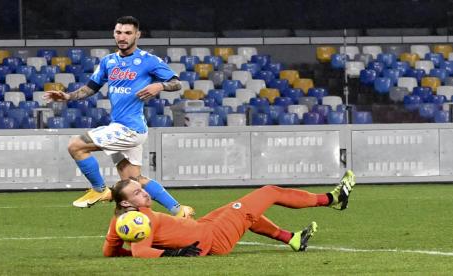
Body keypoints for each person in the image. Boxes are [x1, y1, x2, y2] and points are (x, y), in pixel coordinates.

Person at [43, 16, 193, 218]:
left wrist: (160, 85)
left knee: (76, 145)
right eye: (118, 32)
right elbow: (91, 88)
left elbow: (176, 83)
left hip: (130, 128)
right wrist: (68, 96)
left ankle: (99, 189)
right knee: (133, 181)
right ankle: (179, 210)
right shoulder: (108, 61)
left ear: (137, 35)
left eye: (128, 33)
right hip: (122, 126)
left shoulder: (148, 61)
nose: (122, 37)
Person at [103, 170, 356, 258]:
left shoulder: (121, 222)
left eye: (141, 189)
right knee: (269, 192)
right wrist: (174, 252)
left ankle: (292, 238)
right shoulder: (140, 220)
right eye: (137, 193)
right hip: (213, 238)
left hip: (204, 228)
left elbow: (109, 251)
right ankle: (332, 199)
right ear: (126, 204)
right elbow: (141, 251)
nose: (144, 193)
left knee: (244, 210)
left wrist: (121, 251)